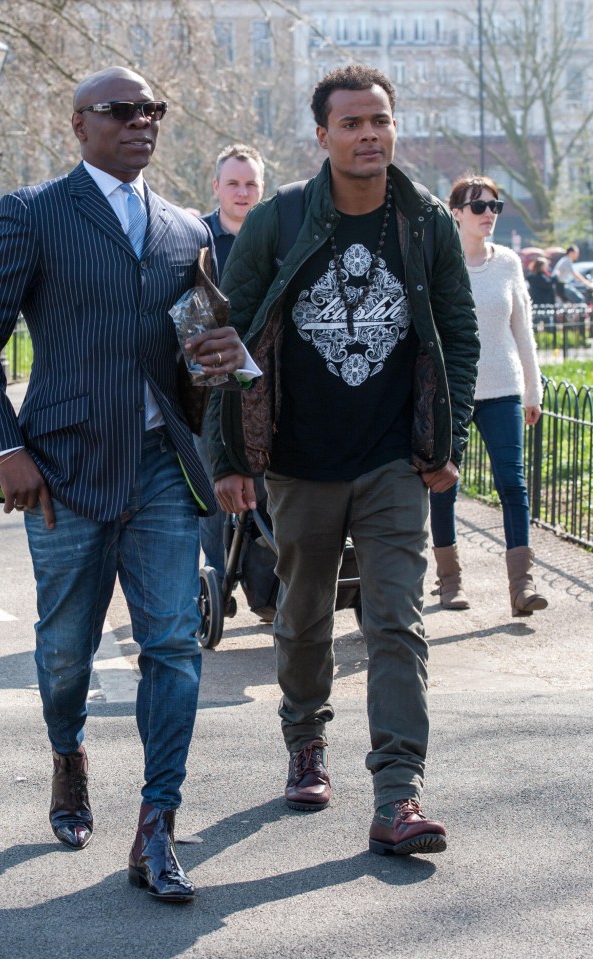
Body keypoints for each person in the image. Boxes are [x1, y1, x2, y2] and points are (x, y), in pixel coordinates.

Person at [0, 66, 249, 903]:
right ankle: (68, 751)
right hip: (62, 469)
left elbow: (199, 353)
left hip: (160, 468)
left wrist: (223, 359)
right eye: (122, 110)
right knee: (64, 650)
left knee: (174, 647)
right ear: (80, 124)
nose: (141, 122)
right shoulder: (35, 213)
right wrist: (2, 446)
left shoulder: (188, 227)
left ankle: (157, 828)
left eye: (153, 110)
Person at [208, 65, 479, 856]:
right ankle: (305, 740)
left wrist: (447, 440)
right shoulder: (280, 220)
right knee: (303, 617)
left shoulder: (424, 221)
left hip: (395, 461)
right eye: (353, 123)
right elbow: (226, 339)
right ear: (321, 135)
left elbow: (459, 337)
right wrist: (230, 456)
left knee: (397, 619)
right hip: (298, 461)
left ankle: (398, 793)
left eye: (381, 121)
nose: (370, 135)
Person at [429, 175, 548, 617]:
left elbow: (524, 332)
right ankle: (450, 582)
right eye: (478, 207)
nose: (488, 215)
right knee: (443, 485)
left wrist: (532, 391)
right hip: (453, 394)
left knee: (513, 485)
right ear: (455, 212)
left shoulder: (509, 264)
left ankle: (522, 584)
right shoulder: (439, 261)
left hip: (503, 390)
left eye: (494, 207)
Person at [196, 144, 265, 586]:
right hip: (210, 385)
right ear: (217, 187)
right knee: (212, 486)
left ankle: (265, 581)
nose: (243, 192)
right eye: (234, 184)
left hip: (267, 384)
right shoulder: (196, 239)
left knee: (264, 488)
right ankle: (217, 581)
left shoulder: (277, 235)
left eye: (251, 184)